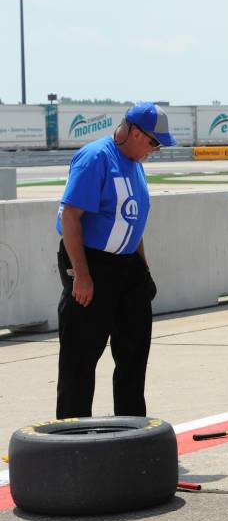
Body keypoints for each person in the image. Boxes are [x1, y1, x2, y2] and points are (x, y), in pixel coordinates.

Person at [55, 102, 175, 419]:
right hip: (91, 262)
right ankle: (73, 433)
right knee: (81, 356)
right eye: (154, 143)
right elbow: (70, 216)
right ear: (135, 132)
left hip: (127, 263)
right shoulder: (96, 158)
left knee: (134, 350)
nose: (156, 150)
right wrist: (81, 275)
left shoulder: (135, 163)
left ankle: (131, 428)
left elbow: (132, 222)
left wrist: (144, 268)